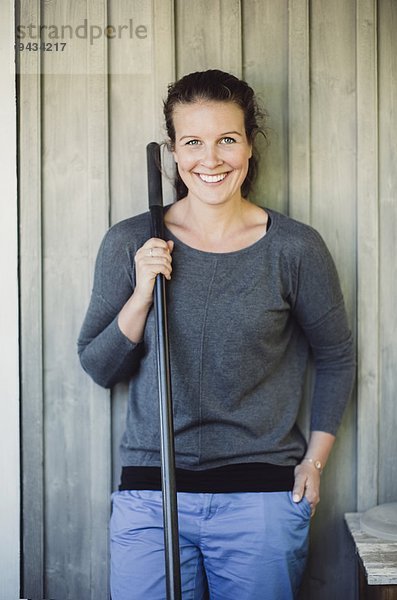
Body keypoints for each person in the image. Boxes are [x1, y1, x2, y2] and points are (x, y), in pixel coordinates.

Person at [78, 69, 355, 600]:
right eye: (193, 142)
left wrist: (314, 463)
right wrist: (141, 294)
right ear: (173, 153)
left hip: (261, 501)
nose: (211, 159)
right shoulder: (131, 241)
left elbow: (337, 356)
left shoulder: (294, 248)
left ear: (249, 146)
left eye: (227, 139)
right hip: (152, 496)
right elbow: (98, 367)